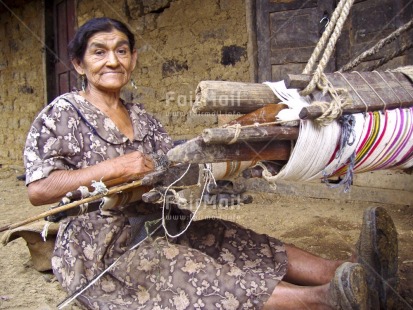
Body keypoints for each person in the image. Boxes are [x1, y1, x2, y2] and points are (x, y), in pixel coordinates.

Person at [24, 17, 398, 309]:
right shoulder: (64, 114)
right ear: (78, 63)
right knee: (186, 269)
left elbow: (170, 171)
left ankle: (346, 273)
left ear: (133, 59)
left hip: (157, 224)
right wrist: (112, 169)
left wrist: (232, 155)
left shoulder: (143, 118)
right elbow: (39, 191)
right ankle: (326, 300)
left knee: (231, 237)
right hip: (98, 247)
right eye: (99, 52)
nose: (112, 61)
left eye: (122, 51)